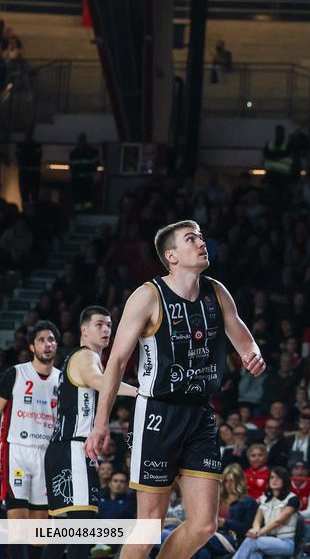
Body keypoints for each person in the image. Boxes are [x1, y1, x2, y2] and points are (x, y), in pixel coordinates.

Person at [84, 220, 267, 559]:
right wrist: (100, 424)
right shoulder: (147, 296)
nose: (201, 243)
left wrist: (252, 355)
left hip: (200, 413)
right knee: (149, 526)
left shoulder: (216, 292)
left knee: (203, 526)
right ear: (172, 255)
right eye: (191, 239)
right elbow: (117, 361)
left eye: (201, 237)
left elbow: (243, 338)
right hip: (158, 413)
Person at [43, 307, 138, 559]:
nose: (106, 329)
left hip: (66, 448)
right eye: (99, 325)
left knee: (64, 530)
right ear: (84, 330)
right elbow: (101, 382)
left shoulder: (85, 358)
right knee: (83, 525)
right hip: (72, 447)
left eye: (109, 325)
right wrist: (142, 392)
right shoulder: (85, 357)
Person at [0, 321, 61, 559]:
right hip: (17, 450)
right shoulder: (15, 373)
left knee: (39, 532)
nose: (48, 344)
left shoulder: (62, 379)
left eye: (52, 340)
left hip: (47, 455)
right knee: (18, 526)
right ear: (32, 347)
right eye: (42, 340)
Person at [234, 466, 299, 559]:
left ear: (284, 480)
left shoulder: (292, 499)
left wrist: (259, 533)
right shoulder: (264, 499)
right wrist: (255, 529)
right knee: (254, 555)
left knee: (251, 541)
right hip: (266, 539)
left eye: (278, 478)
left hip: (285, 543)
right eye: (272, 477)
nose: (274, 480)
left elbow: (279, 521)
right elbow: (258, 518)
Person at [68, 132, 100, 212]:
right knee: (81, 199)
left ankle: (84, 213)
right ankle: (81, 213)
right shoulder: (75, 153)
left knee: (85, 199)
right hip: (82, 180)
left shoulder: (75, 153)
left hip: (84, 180)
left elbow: (95, 166)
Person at [15, 128, 42, 206]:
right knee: (31, 196)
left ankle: (28, 211)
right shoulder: (36, 145)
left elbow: (19, 156)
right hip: (33, 175)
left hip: (25, 174)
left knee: (27, 195)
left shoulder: (21, 145)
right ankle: (30, 211)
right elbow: (37, 157)